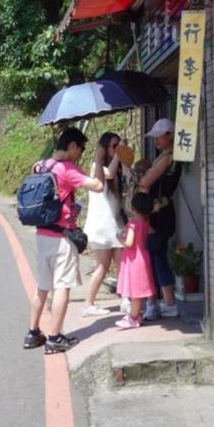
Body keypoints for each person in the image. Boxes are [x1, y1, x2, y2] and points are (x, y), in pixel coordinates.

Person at [23, 126, 104, 355]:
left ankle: (33, 333)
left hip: (42, 234)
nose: (81, 154)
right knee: (62, 287)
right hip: (61, 237)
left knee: (42, 287)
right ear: (71, 146)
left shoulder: (41, 164)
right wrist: (98, 160)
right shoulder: (67, 169)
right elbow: (97, 187)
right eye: (81, 149)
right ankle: (55, 338)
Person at [137, 119, 182, 321]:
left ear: (170, 135)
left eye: (159, 136)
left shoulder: (168, 157)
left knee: (156, 258)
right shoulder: (166, 157)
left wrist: (142, 175)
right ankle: (160, 303)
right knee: (156, 257)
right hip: (161, 212)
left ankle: (167, 303)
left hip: (158, 214)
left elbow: (145, 182)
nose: (155, 140)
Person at [82, 132, 125, 317]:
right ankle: (89, 304)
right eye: (114, 146)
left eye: (118, 145)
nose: (116, 149)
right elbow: (110, 173)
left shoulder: (117, 166)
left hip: (114, 223)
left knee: (122, 264)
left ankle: (126, 300)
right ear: (105, 148)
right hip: (102, 225)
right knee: (103, 266)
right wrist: (119, 153)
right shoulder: (96, 167)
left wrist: (123, 155)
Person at [116, 191, 157, 329]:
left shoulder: (133, 224)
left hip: (133, 259)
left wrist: (119, 238)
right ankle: (136, 315)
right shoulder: (145, 222)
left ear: (132, 207)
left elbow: (129, 243)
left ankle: (133, 318)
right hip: (142, 256)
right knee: (138, 289)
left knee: (135, 291)